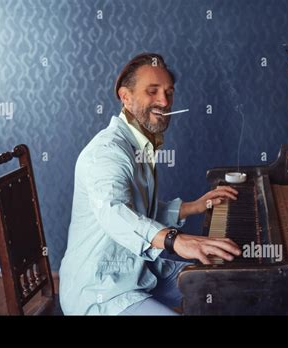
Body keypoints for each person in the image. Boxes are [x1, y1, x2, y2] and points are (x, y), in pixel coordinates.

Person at [59, 53, 240, 315]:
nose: (164, 101)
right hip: (101, 290)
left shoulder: (141, 143)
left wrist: (193, 207)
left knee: (225, 284)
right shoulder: (107, 152)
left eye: (169, 92)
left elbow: (139, 212)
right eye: (152, 91)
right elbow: (116, 213)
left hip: (141, 272)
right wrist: (174, 240)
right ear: (126, 97)